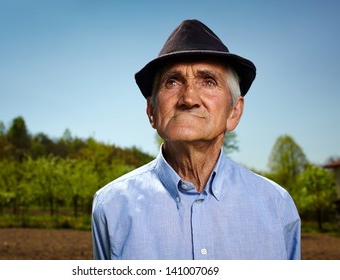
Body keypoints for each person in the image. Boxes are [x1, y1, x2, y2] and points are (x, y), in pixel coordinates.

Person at [92, 19, 301, 260]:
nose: (189, 98)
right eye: (172, 82)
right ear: (151, 111)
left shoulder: (278, 205)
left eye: (208, 81)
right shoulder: (111, 205)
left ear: (234, 112)